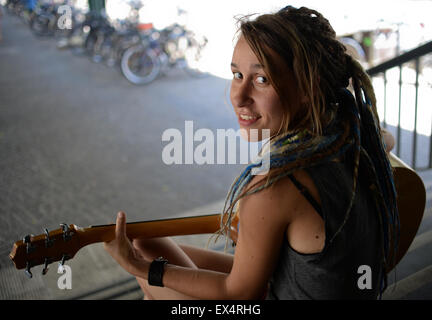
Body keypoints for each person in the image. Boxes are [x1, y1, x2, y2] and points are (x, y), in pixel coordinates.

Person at [104, 6, 399, 300]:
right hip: (303, 284)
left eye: (262, 80)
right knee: (145, 244)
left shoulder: (274, 186)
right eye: (237, 74)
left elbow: (239, 294)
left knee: (149, 278)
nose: (238, 95)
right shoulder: (355, 140)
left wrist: (136, 267)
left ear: (309, 89)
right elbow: (388, 139)